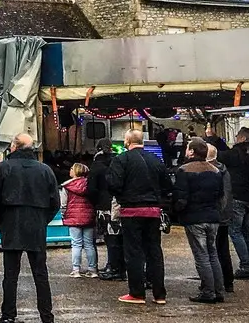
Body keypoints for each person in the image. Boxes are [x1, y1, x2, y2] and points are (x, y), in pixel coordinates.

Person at [0, 133, 61, 323]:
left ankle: (8, 317)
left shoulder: (4, 168)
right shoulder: (44, 170)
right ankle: (48, 320)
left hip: (11, 222)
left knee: (10, 274)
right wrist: (43, 220)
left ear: (14, 147)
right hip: (36, 223)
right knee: (40, 273)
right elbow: (55, 202)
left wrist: (0, 220)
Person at [107, 129, 172, 306]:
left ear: (127, 141)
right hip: (153, 210)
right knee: (154, 251)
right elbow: (167, 185)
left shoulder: (121, 160)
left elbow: (114, 184)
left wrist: (122, 196)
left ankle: (137, 292)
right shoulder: (155, 160)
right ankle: (159, 294)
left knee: (134, 252)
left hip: (131, 210)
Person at [174, 138, 229, 304]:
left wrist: (176, 211)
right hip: (213, 216)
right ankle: (219, 290)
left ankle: (208, 291)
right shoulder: (215, 170)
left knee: (201, 255)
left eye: (187, 148)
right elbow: (221, 195)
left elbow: (181, 197)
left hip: (194, 217)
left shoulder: (184, 170)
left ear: (192, 151)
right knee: (213, 254)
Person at [219, 127, 249, 280]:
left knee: (235, 231)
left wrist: (212, 139)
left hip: (237, 195)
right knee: (246, 231)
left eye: (238, 136)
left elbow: (220, 155)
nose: (236, 138)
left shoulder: (237, 152)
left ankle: (245, 266)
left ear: (243, 138)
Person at [87, 147, 123, 280]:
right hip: (118, 204)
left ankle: (113, 267)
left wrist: (95, 203)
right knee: (119, 237)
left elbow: (91, 189)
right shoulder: (118, 164)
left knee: (110, 238)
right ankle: (119, 266)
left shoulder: (96, 167)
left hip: (104, 206)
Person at [207, 143, 235, 294]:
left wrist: (217, 212)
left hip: (218, 216)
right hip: (224, 216)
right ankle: (227, 280)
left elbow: (223, 196)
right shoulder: (224, 170)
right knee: (223, 249)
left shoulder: (215, 172)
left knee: (214, 250)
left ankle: (219, 281)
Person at [61, 161, 97, 278]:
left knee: (76, 244)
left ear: (76, 171)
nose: (70, 170)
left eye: (72, 168)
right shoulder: (89, 184)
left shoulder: (67, 186)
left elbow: (63, 203)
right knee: (89, 244)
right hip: (88, 217)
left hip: (73, 217)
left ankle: (76, 270)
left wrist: (64, 215)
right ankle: (92, 269)